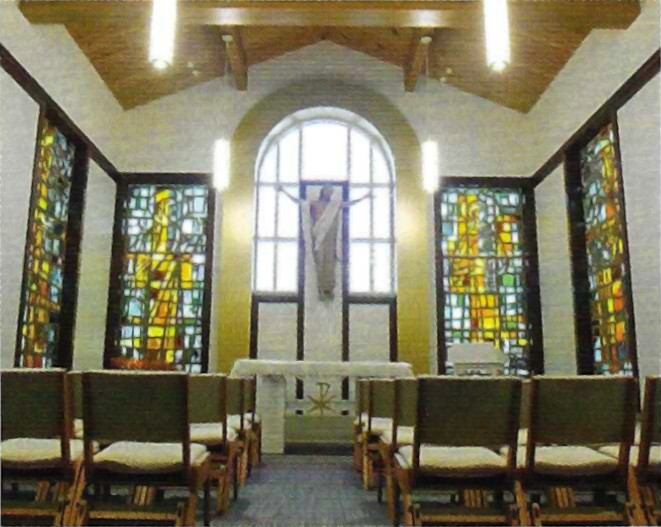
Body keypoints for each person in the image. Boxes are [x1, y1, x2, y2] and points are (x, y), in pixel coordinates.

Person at [277, 184, 371, 299]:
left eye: (331, 192)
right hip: (319, 237)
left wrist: (364, 197)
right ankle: (320, 289)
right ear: (323, 191)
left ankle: (329, 289)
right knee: (320, 261)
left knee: (330, 262)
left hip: (331, 238)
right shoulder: (315, 203)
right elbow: (300, 202)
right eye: (328, 191)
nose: (330, 193)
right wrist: (284, 191)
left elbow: (348, 204)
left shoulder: (334, 205)